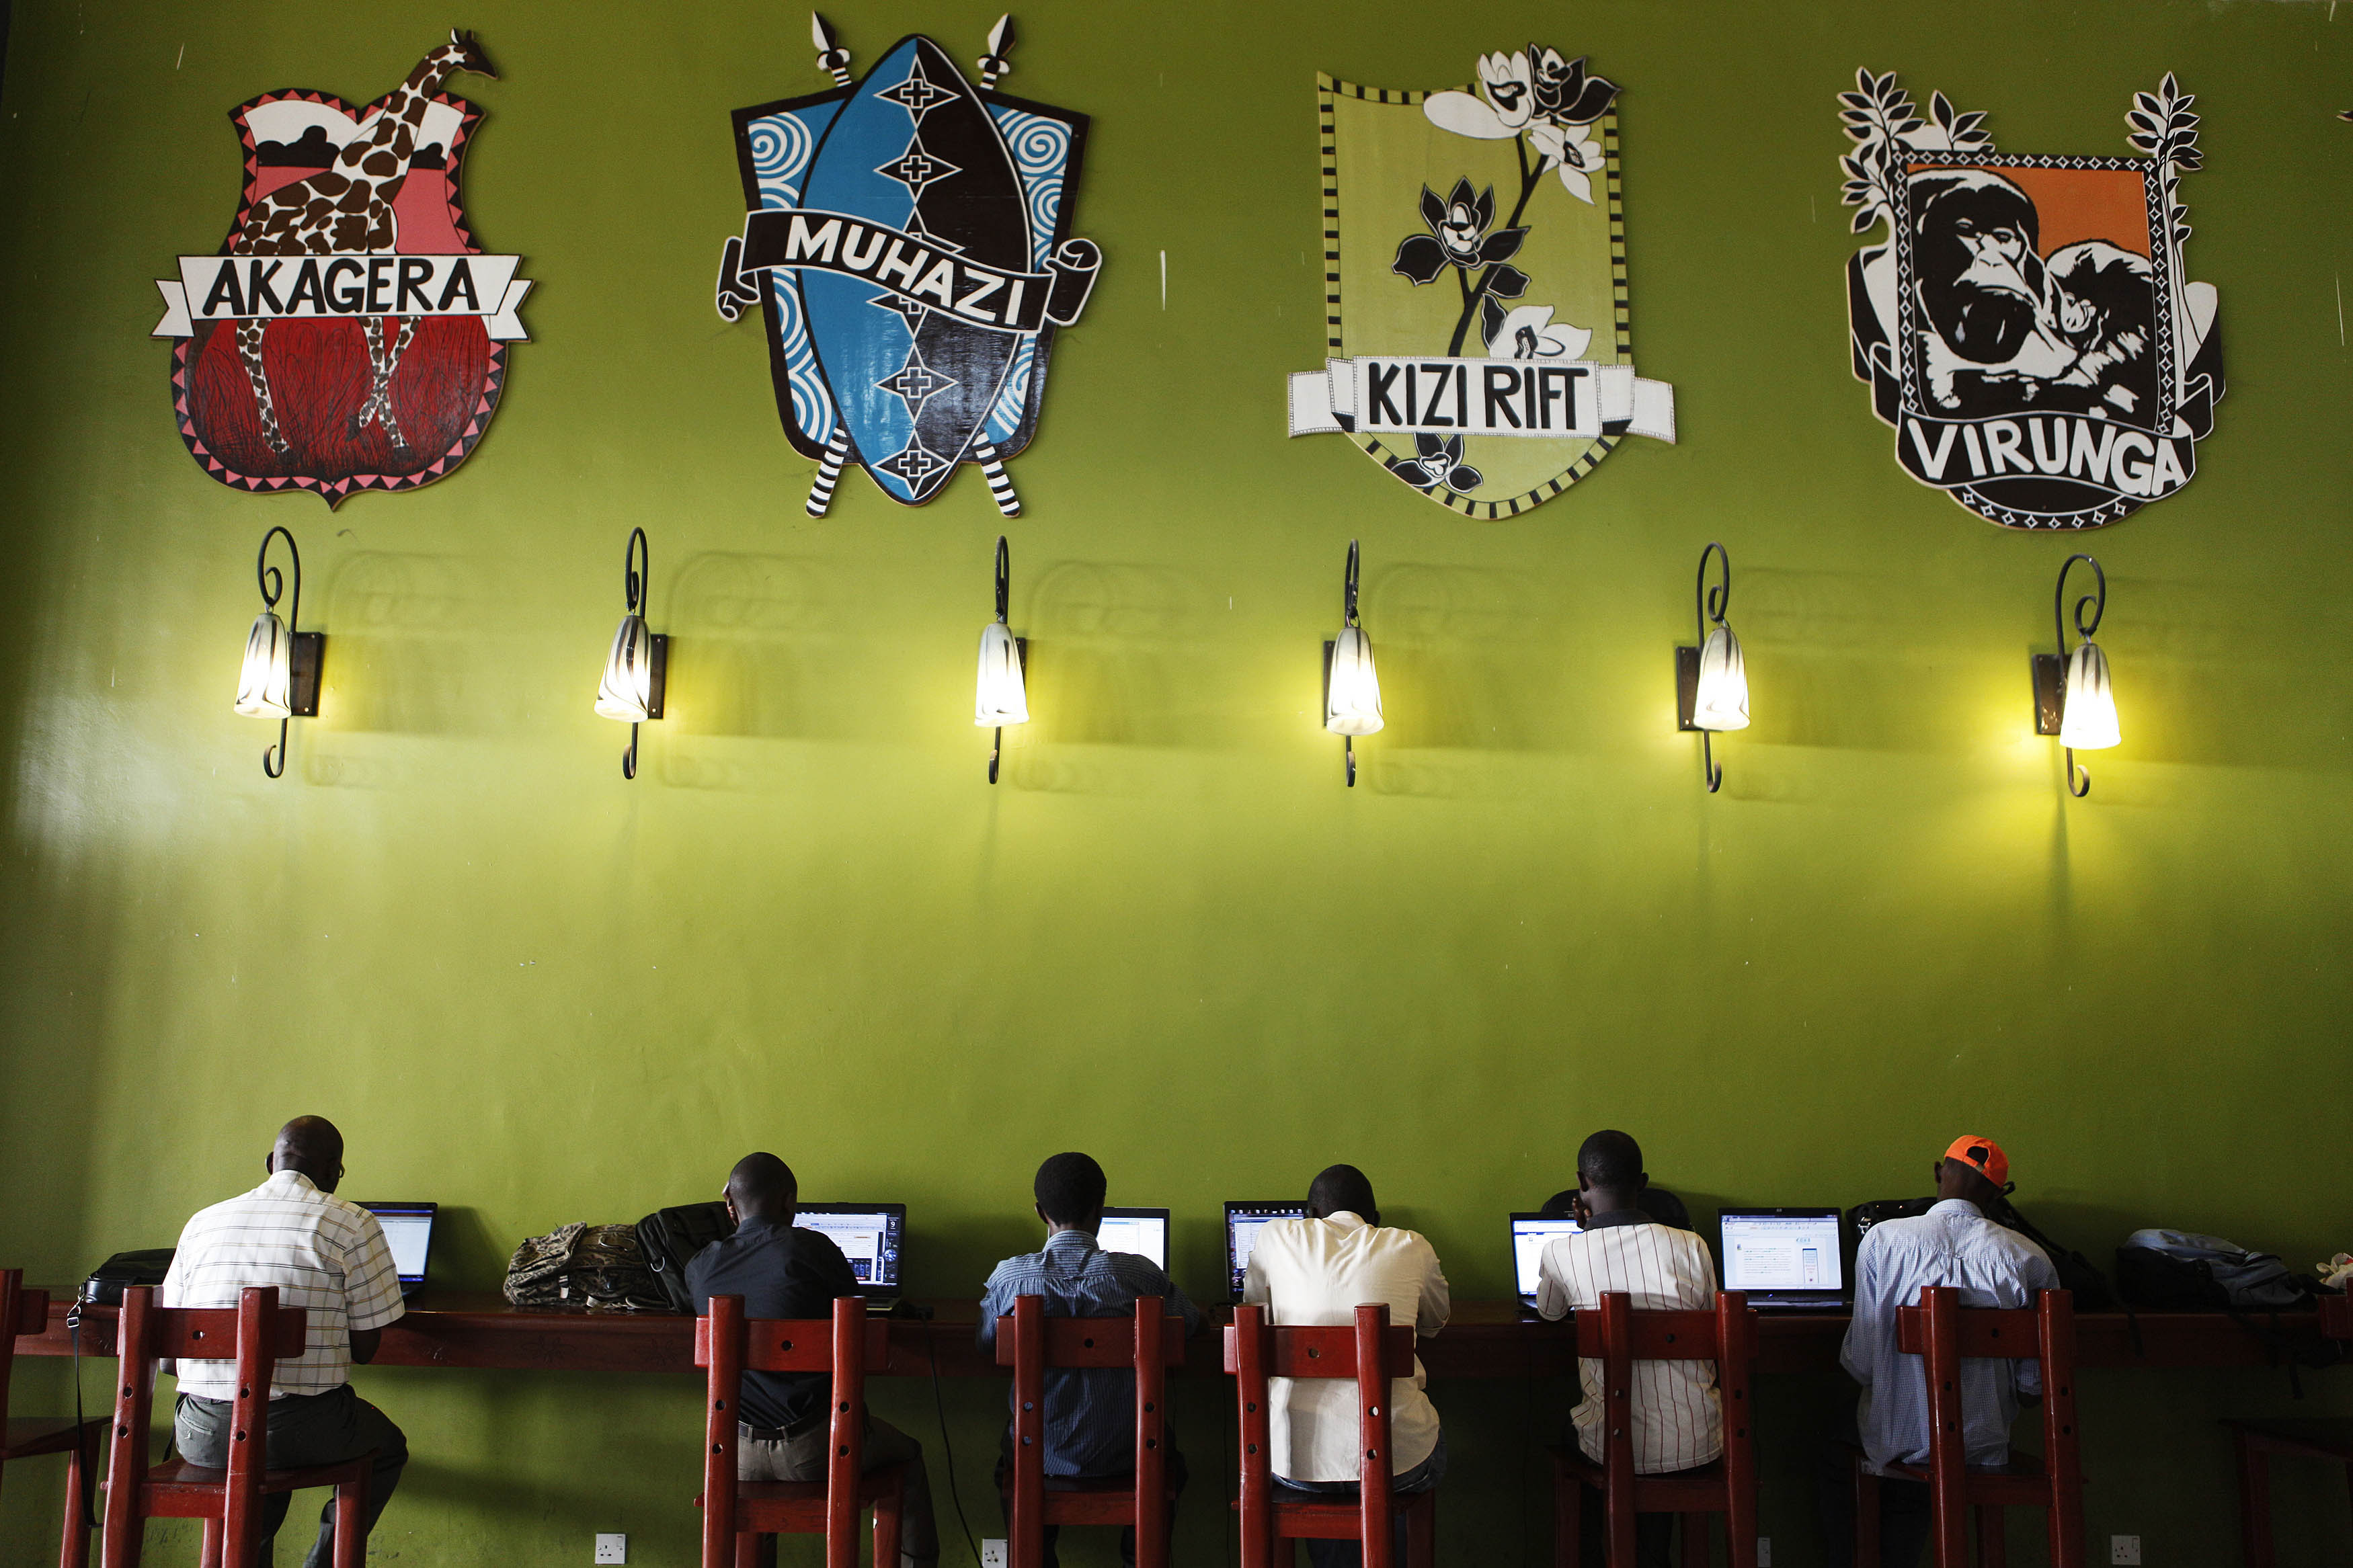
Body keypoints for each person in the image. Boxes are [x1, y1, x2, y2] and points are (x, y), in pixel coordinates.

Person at [160, 1116, 409, 1568]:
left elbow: (168, 1363)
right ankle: (321, 1562)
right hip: (300, 1429)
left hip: (200, 1432)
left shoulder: (202, 1223)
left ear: (272, 1162)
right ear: (334, 1169)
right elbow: (365, 1349)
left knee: (256, 1452)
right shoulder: (351, 1223)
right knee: (386, 1447)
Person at [1818, 1136, 2061, 1568]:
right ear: (1999, 1195)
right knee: (1929, 1455)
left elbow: (1861, 1363)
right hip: (1984, 1447)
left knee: (1844, 1442)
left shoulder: (1882, 1241)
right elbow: (2033, 1385)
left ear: (1937, 1171)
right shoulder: (2031, 1259)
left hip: (1899, 1444)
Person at [686, 1153, 939, 1568]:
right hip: (816, 1449)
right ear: (790, 1203)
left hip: (736, 1451)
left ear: (730, 1205)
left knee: (754, 1498)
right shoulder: (815, 1248)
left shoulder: (700, 1267)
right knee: (909, 1456)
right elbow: (854, 1321)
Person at [978, 1153, 1201, 1568]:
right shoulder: (1139, 1275)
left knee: (1012, 1458)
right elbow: (1189, 1324)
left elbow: (986, 1343)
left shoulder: (1011, 1279)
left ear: (1040, 1212)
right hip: (1131, 1455)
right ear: (1101, 1209)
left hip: (1040, 1457)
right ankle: (1140, 1554)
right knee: (1173, 1461)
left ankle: (1034, 1553)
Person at [1242, 1164, 1449, 1568]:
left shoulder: (1274, 1236)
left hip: (1292, 1463)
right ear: (1375, 1221)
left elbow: (1253, 1312)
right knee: (1415, 1449)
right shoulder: (1412, 1245)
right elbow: (1435, 1322)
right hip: (1396, 1464)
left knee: (1321, 1476)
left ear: (1309, 1215)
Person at [1534, 1130, 1723, 1568]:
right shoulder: (1692, 1245)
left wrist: (1583, 1231)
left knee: (1576, 1434)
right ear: (1644, 1181)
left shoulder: (1562, 1251)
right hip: (1698, 1444)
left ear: (1581, 1182)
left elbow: (1548, 1312)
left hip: (1612, 1448)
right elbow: (1710, 1321)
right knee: (1654, 1425)